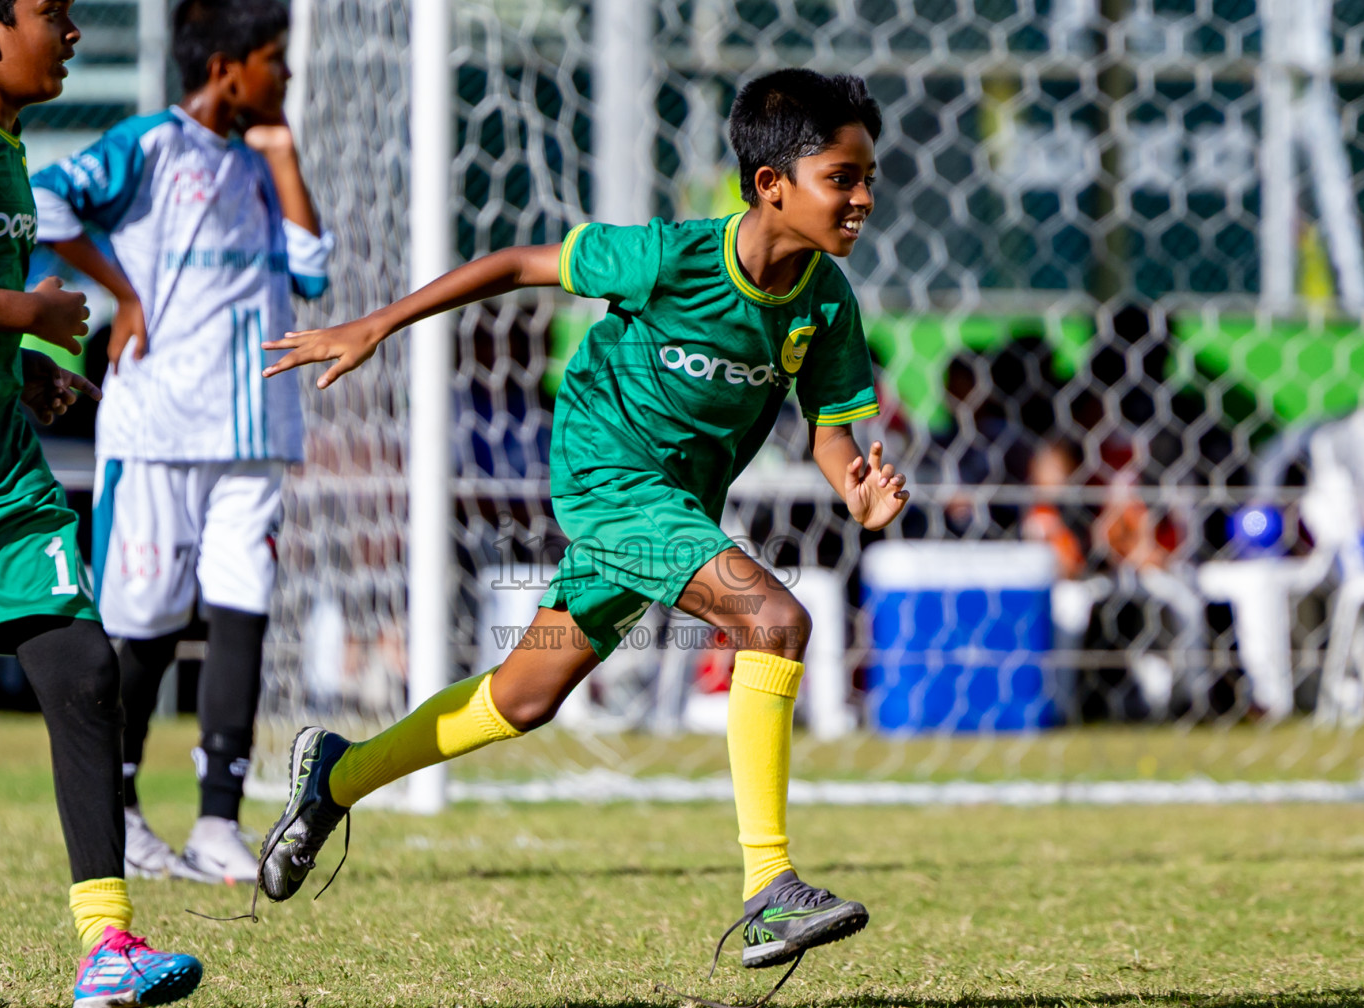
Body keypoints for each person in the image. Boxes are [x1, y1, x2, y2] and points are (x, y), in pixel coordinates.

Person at [255, 69, 907, 980]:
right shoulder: (670, 257)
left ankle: (335, 776)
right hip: (607, 481)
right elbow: (520, 264)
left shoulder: (827, 302)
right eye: (843, 177)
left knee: (522, 699)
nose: (864, 196)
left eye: (869, 175)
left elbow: (834, 432)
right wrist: (379, 324)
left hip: (673, 509)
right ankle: (769, 891)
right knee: (777, 621)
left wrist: (857, 492)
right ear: (772, 185)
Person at [0, 0, 202, 1003]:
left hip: (2, 469)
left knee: (81, 665)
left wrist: (20, 367)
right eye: (53, 11)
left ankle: (107, 948)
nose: (72, 33)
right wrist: (27, 311)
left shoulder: (5, 141)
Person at [30, 0, 332, 885]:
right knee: (142, 624)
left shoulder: (256, 161)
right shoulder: (150, 147)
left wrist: (283, 154)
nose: (286, 74)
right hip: (158, 425)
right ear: (224, 67)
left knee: (242, 608)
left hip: (254, 427)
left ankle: (216, 822)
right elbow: (48, 200)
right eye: (275, 60)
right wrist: (124, 293)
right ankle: (118, 810)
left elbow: (314, 270)